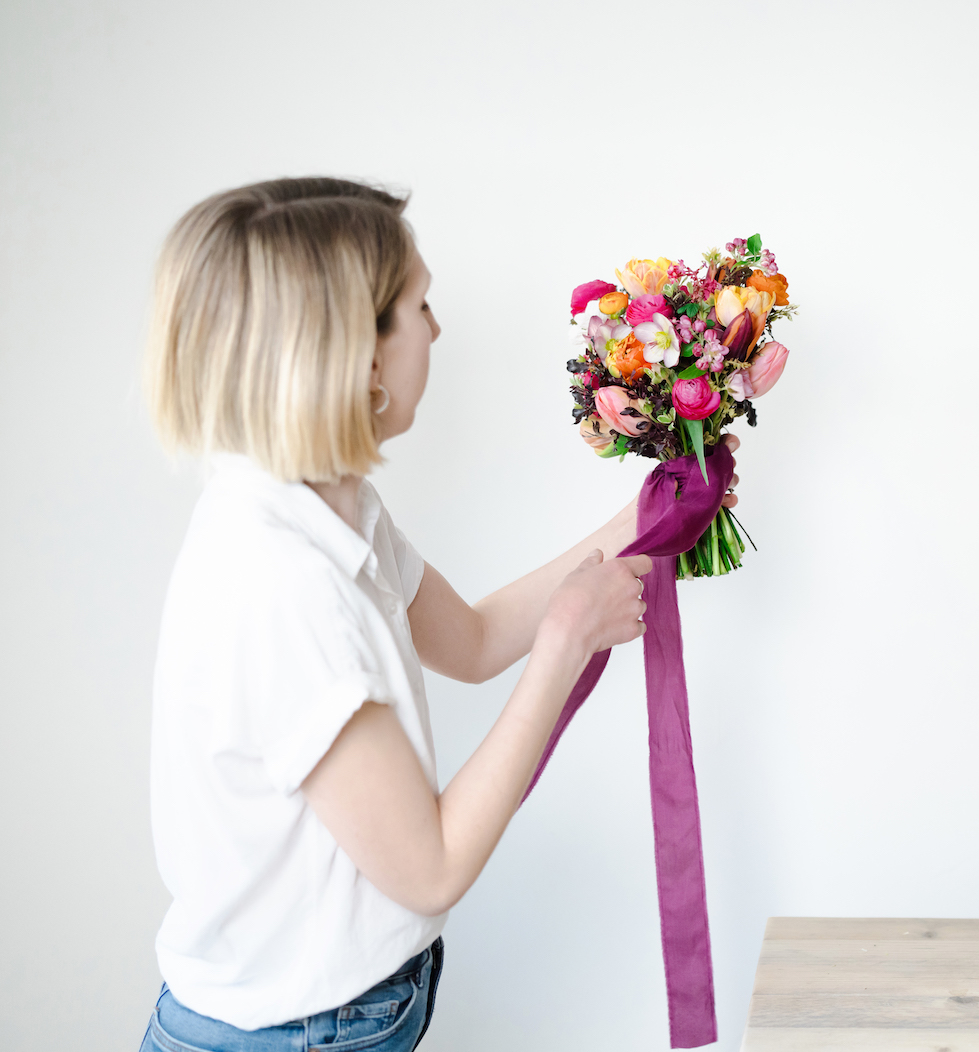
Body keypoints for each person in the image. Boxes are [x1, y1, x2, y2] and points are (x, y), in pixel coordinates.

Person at [138, 177, 740, 1051]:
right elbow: (431, 868)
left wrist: (646, 520)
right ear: (360, 354)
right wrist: (569, 641)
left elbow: (473, 640)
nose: (438, 329)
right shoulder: (283, 586)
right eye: (420, 304)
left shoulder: (331, 506)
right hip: (292, 1033)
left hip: (346, 1012)